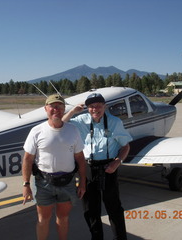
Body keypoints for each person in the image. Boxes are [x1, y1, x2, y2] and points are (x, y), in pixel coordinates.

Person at [62, 93, 133, 240]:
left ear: (105, 106)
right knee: (90, 210)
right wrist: (72, 112)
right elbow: (61, 123)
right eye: (91, 106)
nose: (95, 109)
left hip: (109, 167)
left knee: (114, 208)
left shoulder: (115, 122)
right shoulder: (81, 120)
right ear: (87, 108)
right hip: (87, 168)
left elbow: (125, 146)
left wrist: (117, 162)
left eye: (99, 106)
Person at [22, 94, 86, 240]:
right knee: (43, 219)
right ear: (46, 109)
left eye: (60, 106)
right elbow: (27, 159)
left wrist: (82, 182)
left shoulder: (73, 130)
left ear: (64, 109)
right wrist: (26, 184)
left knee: (63, 218)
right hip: (43, 182)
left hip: (68, 182)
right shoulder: (36, 131)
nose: (56, 109)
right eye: (53, 106)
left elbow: (80, 159)